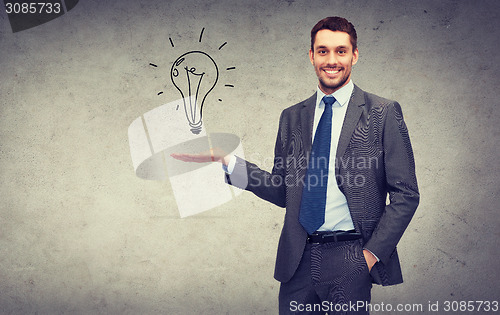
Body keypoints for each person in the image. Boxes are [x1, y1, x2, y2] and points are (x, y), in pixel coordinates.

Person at [172, 16, 419, 315]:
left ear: (355, 55)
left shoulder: (382, 112)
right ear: (312, 55)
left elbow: (406, 194)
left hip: (350, 256)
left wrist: (370, 255)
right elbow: (283, 191)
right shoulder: (291, 117)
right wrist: (228, 161)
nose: (332, 60)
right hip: (297, 260)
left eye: (341, 51)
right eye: (323, 50)